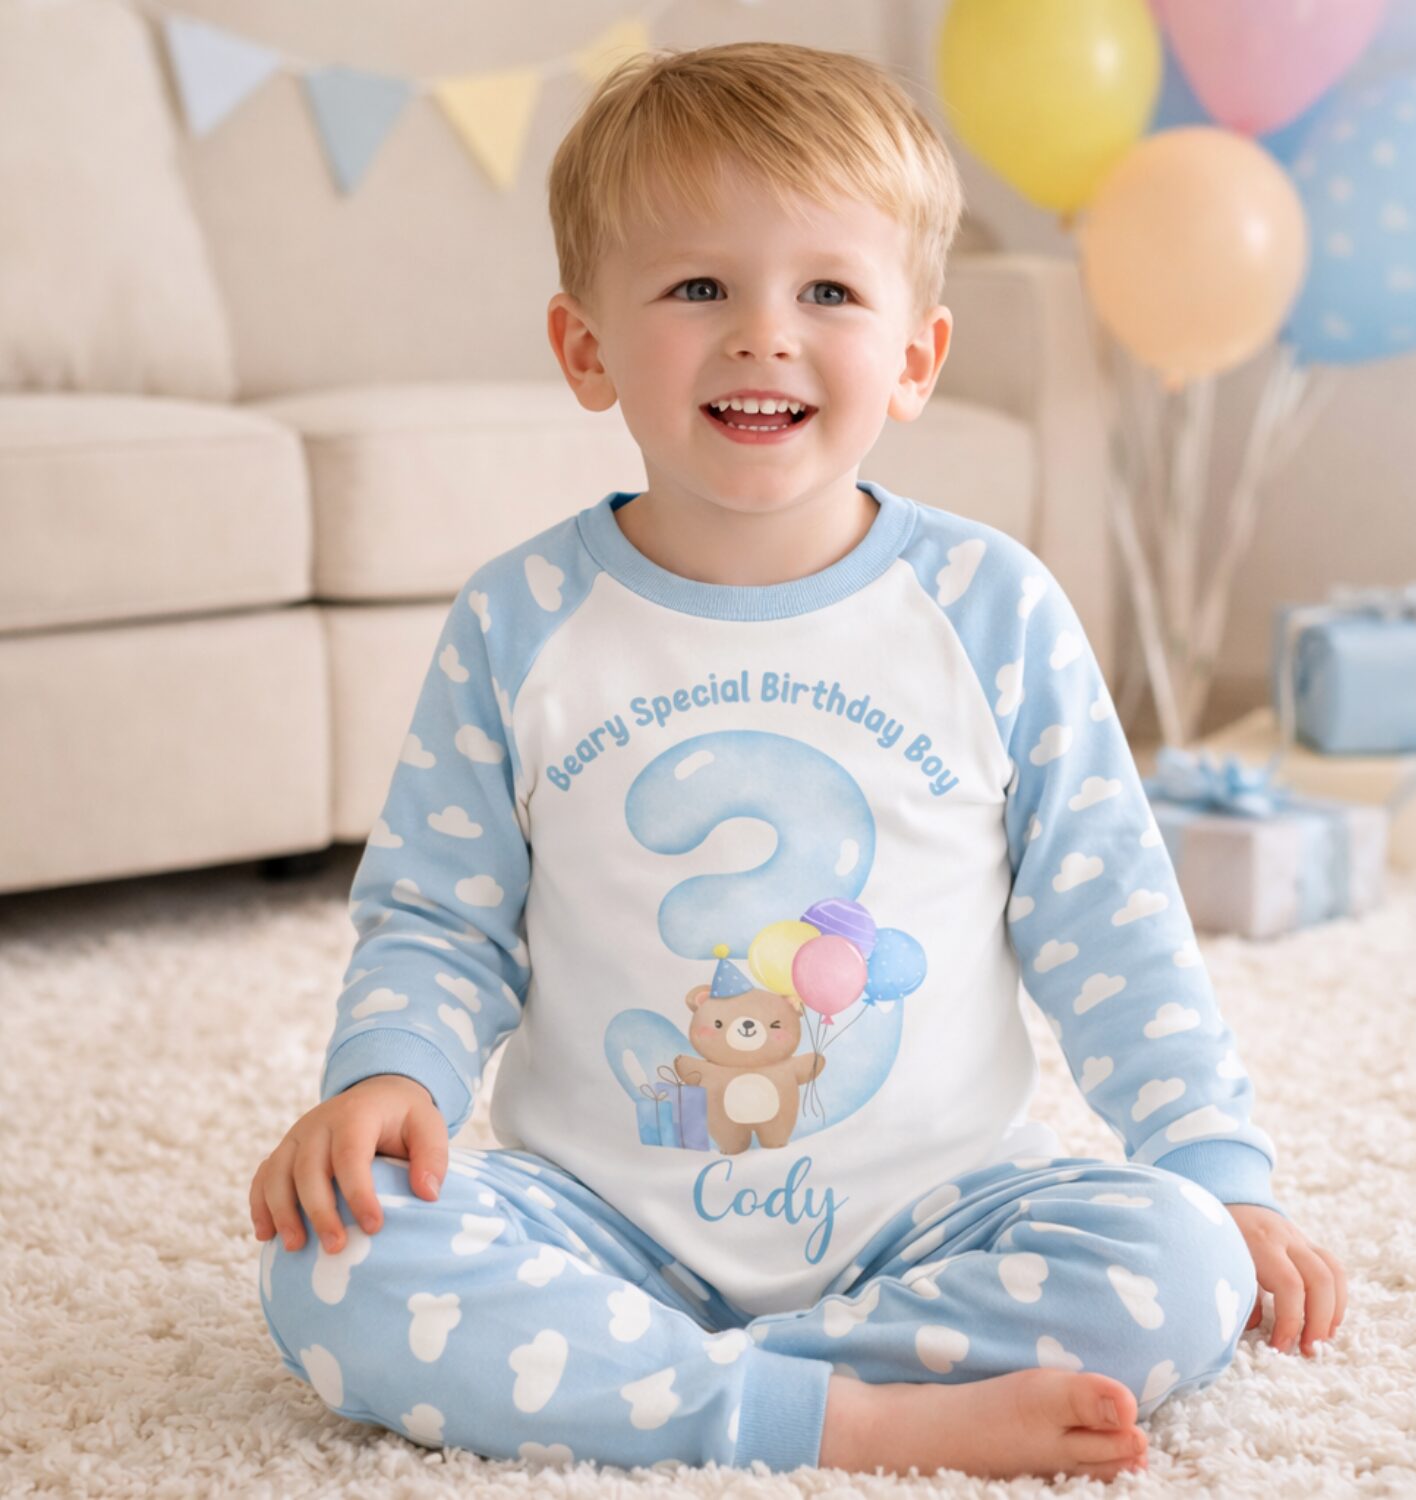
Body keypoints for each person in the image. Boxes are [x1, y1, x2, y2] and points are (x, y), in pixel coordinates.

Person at [248, 40, 1347, 1483]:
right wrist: (388, 1073)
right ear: (585, 348)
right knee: (331, 1264)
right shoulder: (519, 619)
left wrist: (1215, 1171)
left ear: (916, 356)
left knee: (1181, 1261)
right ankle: (858, 1417)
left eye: (828, 292)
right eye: (699, 287)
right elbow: (440, 916)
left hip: (936, 1219)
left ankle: (653, 1391)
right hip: (600, 1223)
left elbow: (1111, 919)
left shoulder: (991, 608)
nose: (763, 335)